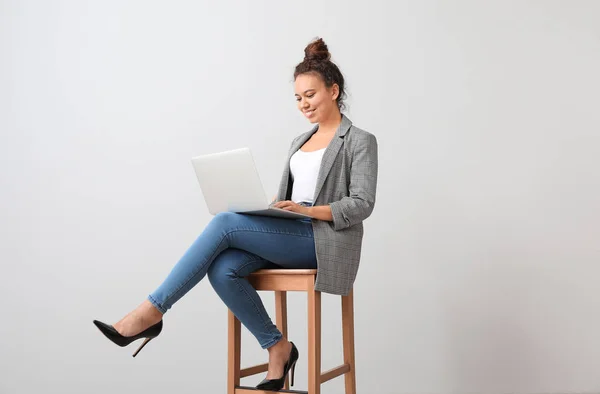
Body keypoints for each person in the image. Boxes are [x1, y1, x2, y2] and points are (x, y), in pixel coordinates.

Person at [93, 37, 378, 391]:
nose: (304, 104)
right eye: (298, 98)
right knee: (222, 267)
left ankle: (152, 311)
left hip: (324, 240)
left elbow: (362, 203)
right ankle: (278, 348)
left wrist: (309, 211)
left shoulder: (359, 140)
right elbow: (291, 194)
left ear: (333, 91)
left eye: (311, 95)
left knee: (224, 224)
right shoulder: (299, 141)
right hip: (291, 231)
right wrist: (273, 206)